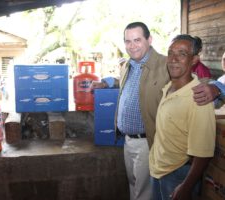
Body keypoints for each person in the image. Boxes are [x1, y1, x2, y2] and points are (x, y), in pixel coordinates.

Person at [91, 22, 220, 200]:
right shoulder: (129, 65)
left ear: (149, 40)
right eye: (128, 41)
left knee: (143, 194)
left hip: (148, 142)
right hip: (129, 142)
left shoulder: (164, 65)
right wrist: (106, 82)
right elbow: (126, 83)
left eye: (137, 40)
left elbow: (192, 81)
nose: (132, 45)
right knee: (135, 186)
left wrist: (216, 88)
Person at [149, 34, 215, 200]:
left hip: (178, 175)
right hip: (158, 171)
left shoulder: (198, 97)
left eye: (182, 54)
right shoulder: (169, 87)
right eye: (171, 52)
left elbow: (203, 153)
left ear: (194, 60)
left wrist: (187, 186)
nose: (173, 59)